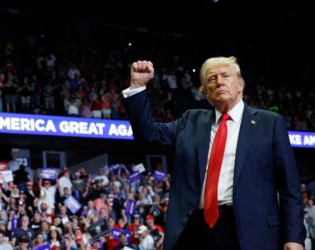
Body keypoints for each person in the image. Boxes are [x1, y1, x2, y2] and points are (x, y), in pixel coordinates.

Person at [122, 57, 305, 250]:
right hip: (195, 230)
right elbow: (148, 135)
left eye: (226, 76)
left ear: (240, 84)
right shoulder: (190, 121)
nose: (219, 81)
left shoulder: (270, 123)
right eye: (211, 79)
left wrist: (294, 238)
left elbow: (289, 188)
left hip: (251, 232)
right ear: (206, 93)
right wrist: (137, 87)